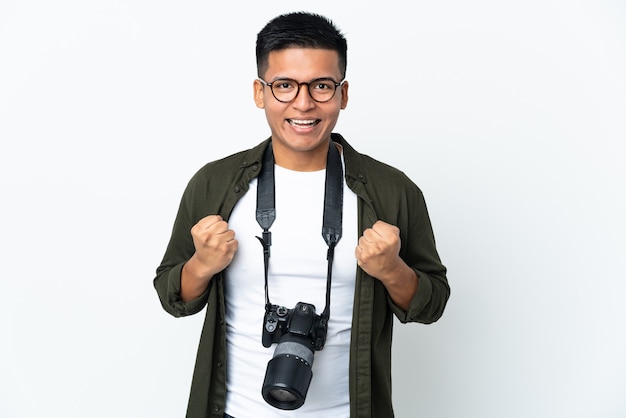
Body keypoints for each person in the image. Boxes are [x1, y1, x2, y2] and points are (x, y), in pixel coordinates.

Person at [154, 11, 449, 418]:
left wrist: (392, 269)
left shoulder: (391, 191)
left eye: (322, 86)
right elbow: (173, 297)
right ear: (260, 92)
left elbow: (433, 304)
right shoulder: (214, 184)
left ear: (343, 94)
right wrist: (202, 265)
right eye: (285, 86)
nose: (304, 103)